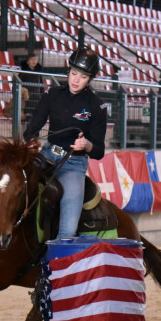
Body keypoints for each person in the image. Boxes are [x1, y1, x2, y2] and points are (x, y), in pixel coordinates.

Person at [23, 48, 107, 239]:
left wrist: (86, 145)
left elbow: (99, 151)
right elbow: (33, 126)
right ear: (68, 71)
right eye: (73, 73)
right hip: (45, 156)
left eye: (83, 76)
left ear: (90, 79)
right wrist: (30, 140)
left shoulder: (97, 106)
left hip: (74, 165)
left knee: (68, 230)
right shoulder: (52, 94)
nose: (75, 80)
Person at [18, 53, 43, 122]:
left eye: (35, 59)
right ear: (28, 61)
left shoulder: (38, 73)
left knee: (36, 119)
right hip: (27, 99)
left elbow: (41, 86)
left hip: (36, 98)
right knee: (29, 118)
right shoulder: (23, 72)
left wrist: (41, 95)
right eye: (32, 59)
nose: (34, 61)